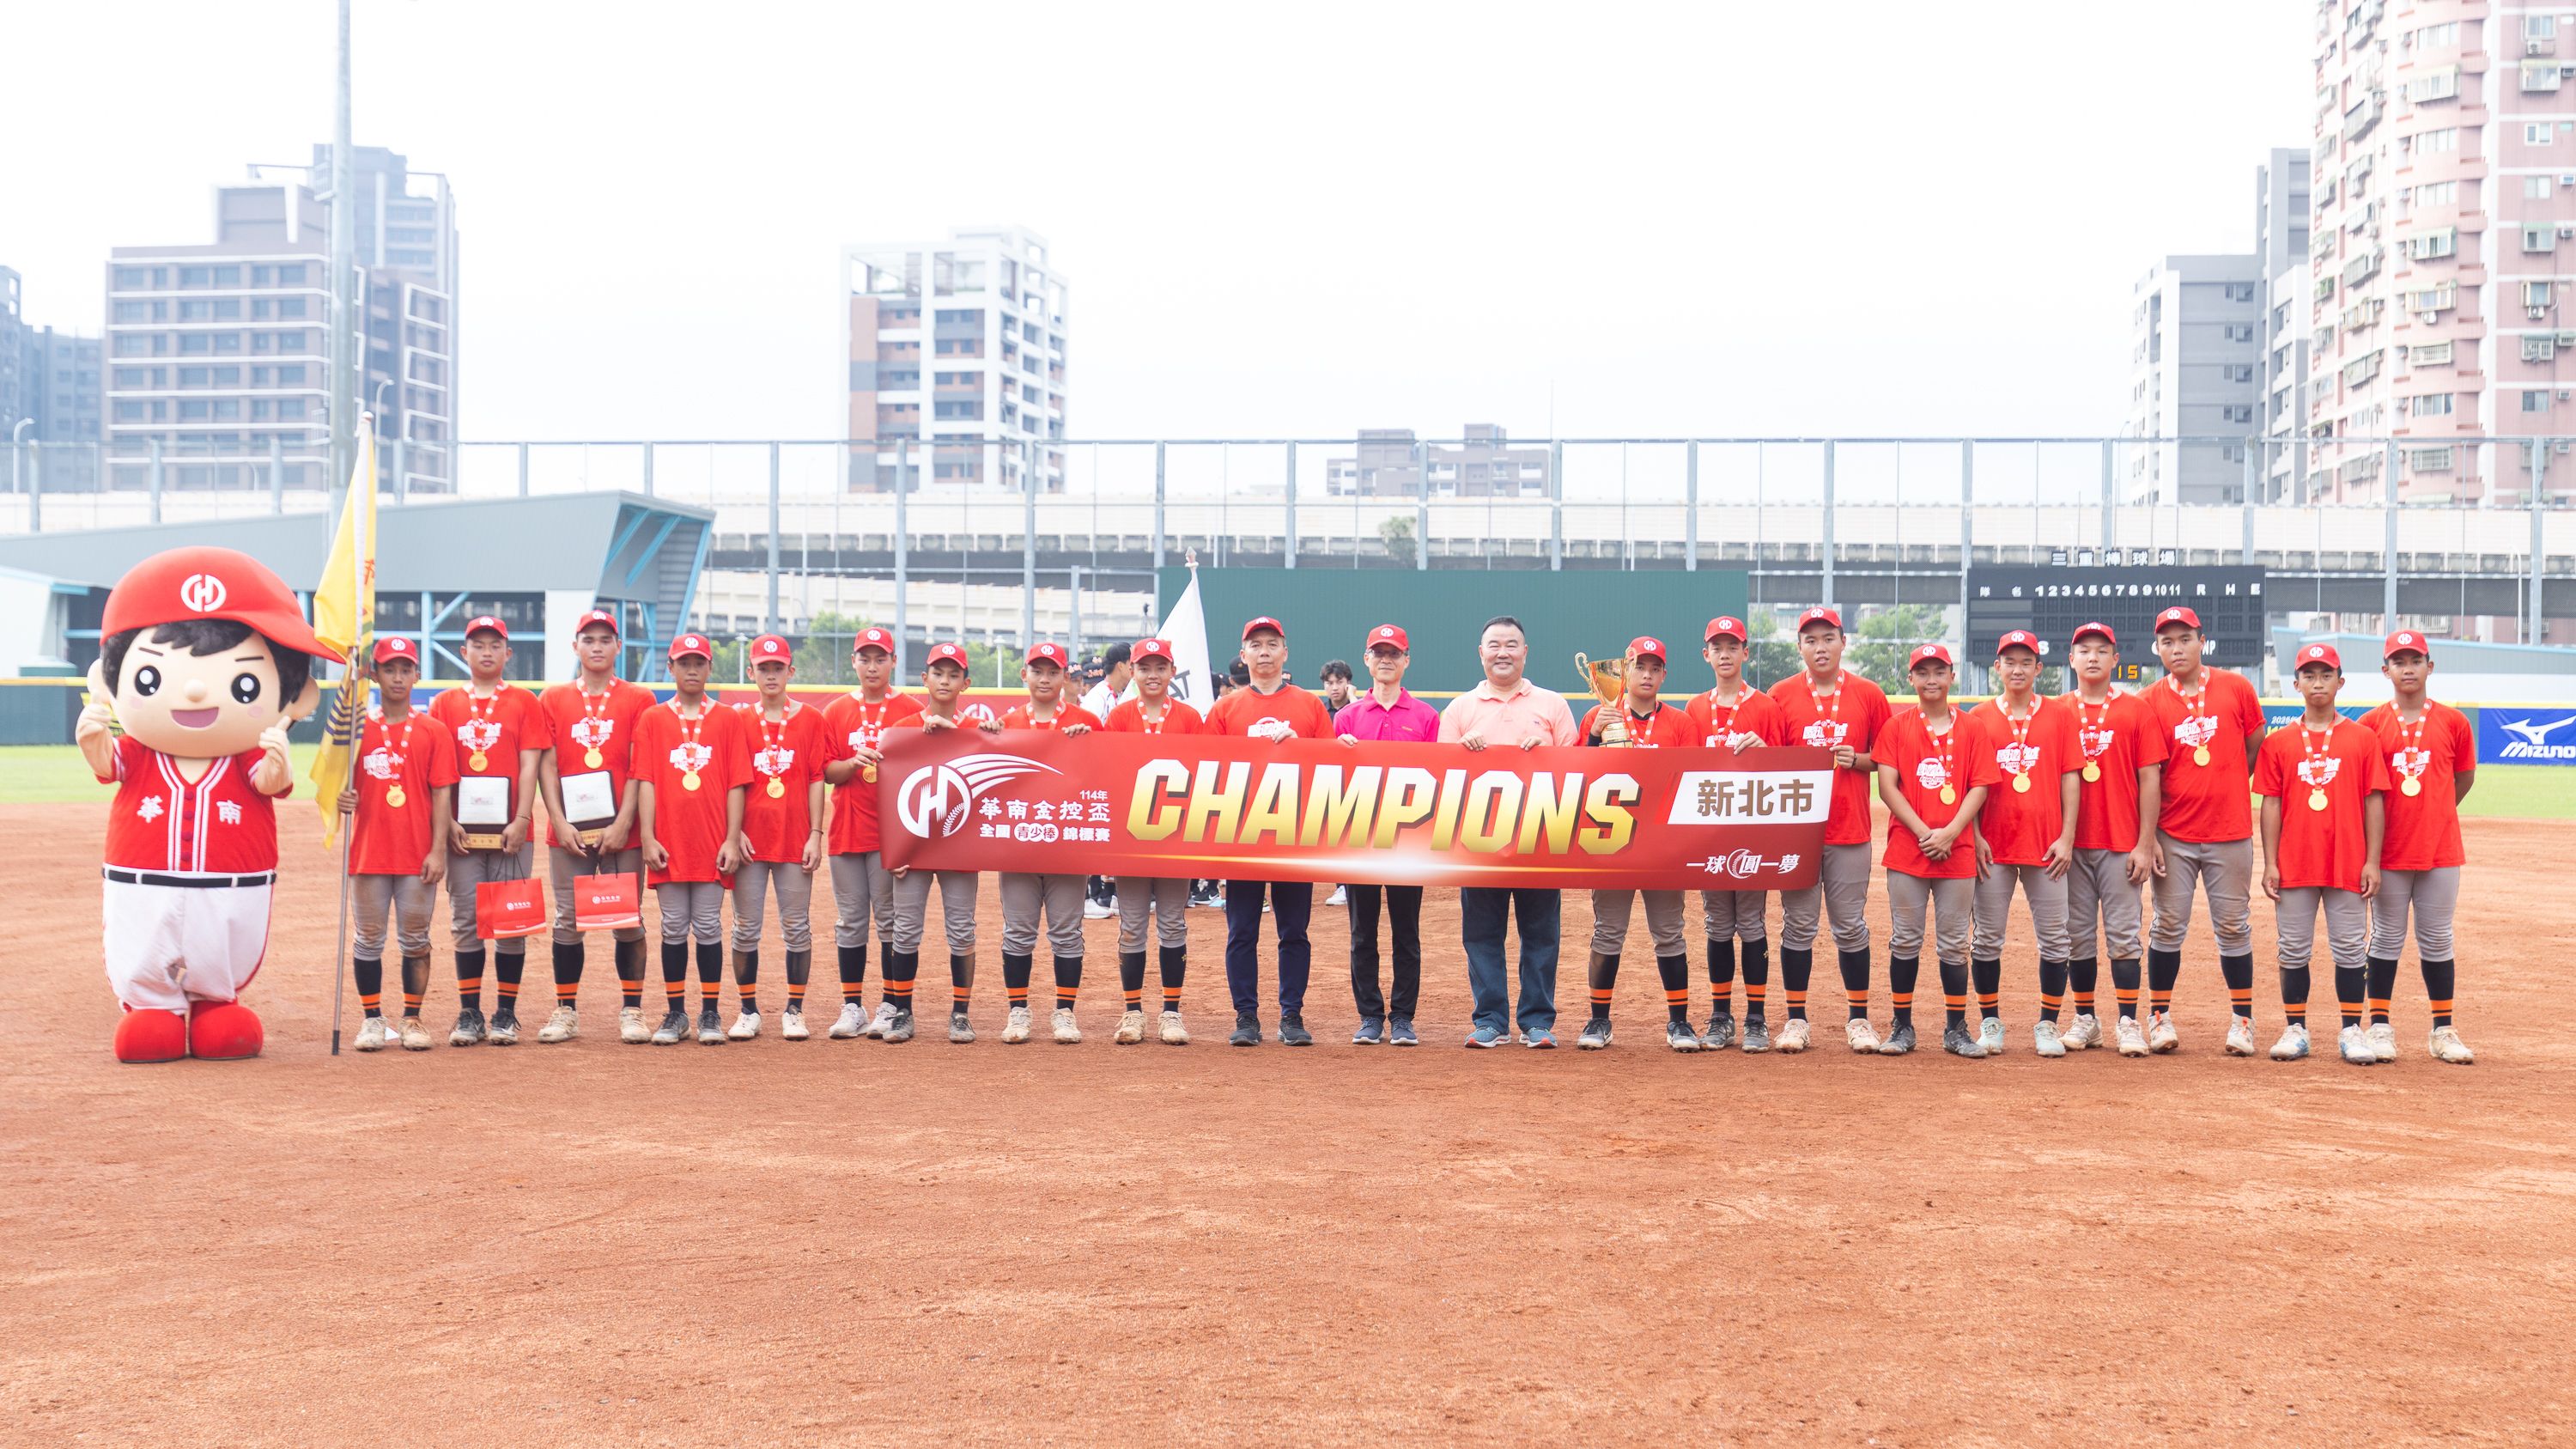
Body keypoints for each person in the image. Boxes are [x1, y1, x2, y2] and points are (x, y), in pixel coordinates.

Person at [79, 545, 333, 1063]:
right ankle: (154, 1007)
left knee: (221, 947)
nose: (195, 690)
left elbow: (267, 783)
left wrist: (278, 762)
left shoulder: (244, 758)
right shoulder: (140, 753)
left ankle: (215, 1004)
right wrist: (94, 743)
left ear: (295, 695)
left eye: (244, 680)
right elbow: (110, 766)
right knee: (145, 945)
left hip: (231, 885)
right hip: (142, 882)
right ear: (110, 681)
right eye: (150, 676)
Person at [1440, 615, 1579, 1048]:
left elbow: (1578, 768)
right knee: (1482, 935)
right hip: (1477, 842)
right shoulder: (1460, 709)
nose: (1503, 652)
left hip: (1541, 837)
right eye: (1494, 644)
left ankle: (1537, 1021)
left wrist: (1550, 753)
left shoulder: (1552, 705)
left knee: (1541, 934)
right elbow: (1439, 774)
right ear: (1480, 653)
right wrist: (1463, 753)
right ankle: (1490, 1021)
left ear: (1526, 651)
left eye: (1512, 644)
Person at [2254, 643, 2390, 1065]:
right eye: (2309, 675)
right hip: (2295, 860)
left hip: (2348, 858)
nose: (2318, 682)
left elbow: (2373, 802)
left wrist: (2372, 860)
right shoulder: (2278, 744)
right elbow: (2270, 804)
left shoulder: (2363, 739)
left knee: (2350, 947)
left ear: (2340, 682)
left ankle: (2352, 1029)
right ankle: (2296, 1028)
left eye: (2326, 674)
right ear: (2296, 684)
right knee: (2293, 948)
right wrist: (2270, 861)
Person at [1766, 606, 1893, 1054]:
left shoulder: (1869, 694)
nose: (1820, 648)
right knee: (1797, 927)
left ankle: (1858, 1019)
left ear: (1843, 642)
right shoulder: (1779, 695)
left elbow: (1886, 756)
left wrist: (1857, 759)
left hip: (1850, 827)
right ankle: (1796, 1019)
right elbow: (1770, 762)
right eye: (1810, 640)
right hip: (1799, 830)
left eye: (1828, 638)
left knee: (1850, 927)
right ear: (1799, 646)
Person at [1206, 618, 1337, 1045]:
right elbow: (1209, 769)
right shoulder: (1225, 709)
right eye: (1256, 645)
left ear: (1286, 653)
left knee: (1293, 930)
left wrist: (1300, 745)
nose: (1264, 652)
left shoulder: (1310, 706)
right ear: (1243, 656)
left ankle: (1292, 1016)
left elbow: (1331, 765)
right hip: (1241, 834)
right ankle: (1246, 1017)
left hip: (1293, 834)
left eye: (1272, 644)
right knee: (1241, 929)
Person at [2144, 605, 2268, 1056]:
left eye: (2184, 639)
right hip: (2173, 834)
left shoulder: (2236, 688)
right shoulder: (2150, 700)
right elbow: (2149, 773)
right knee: (2168, 925)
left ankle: (2242, 1020)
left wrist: (2227, 784)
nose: (2176, 648)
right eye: (2167, 642)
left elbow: (2255, 747)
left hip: (2229, 832)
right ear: (2157, 648)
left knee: (2234, 927)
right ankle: (2158, 1017)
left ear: (2202, 641)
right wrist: (2151, 835)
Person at [1574, 636, 1702, 1053]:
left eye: (1654, 668)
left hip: (1662, 844)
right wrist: (1594, 737)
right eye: (1638, 667)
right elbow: (1577, 776)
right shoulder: (1599, 713)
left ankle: (1679, 1023)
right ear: (1624, 672)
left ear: (1664, 675)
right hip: (1612, 841)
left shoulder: (1680, 723)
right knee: (1608, 931)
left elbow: (1692, 782)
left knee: (1669, 933)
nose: (1646, 674)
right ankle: (1598, 1021)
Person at [535, 609, 656, 1044]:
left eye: (607, 639)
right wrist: (558, 820)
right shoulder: (552, 698)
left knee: (628, 920)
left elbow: (642, 766)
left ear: (618, 646)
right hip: (569, 833)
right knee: (569, 921)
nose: (598, 646)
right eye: (589, 639)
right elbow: (547, 764)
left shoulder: (639, 699)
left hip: (623, 831)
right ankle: (566, 1010)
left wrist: (625, 822)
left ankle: (633, 1010)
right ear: (576, 647)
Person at [428, 614, 548, 1046]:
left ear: (507, 653)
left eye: (494, 645)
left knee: (511, 921)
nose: (486, 651)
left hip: (510, 832)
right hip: (462, 833)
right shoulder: (444, 704)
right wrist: (449, 823)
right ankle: (469, 1012)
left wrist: (522, 818)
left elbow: (529, 763)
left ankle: (506, 1013)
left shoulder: (524, 701)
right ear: (464, 652)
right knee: (465, 922)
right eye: (477, 645)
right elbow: (439, 769)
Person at [1873, 644, 1997, 1056]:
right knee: (1906, 940)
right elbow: (1888, 785)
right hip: (1909, 848)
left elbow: (1979, 786)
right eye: (1922, 672)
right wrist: (1927, 831)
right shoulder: (1896, 727)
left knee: (1953, 943)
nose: (1931, 679)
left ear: (1951, 676)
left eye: (1938, 671)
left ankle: (1956, 1029)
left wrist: (1951, 832)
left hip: (1957, 849)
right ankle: (1902, 1027)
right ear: (1910, 679)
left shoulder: (1973, 728)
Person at [2360, 630, 2476, 1065]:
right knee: (2387, 937)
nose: (2407, 668)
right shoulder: (2370, 725)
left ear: (2431, 666)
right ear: (2385, 670)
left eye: (2416, 660)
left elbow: (2463, 777)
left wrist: (2437, 812)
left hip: (2440, 850)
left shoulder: (2453, 722)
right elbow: (2365, 790)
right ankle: (2381, 1027)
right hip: (2388, 851)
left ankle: (2442, 1030)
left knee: (2437, 938)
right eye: (2398, 661)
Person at [338, 636, 459, 1051]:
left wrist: (438, 849)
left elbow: (442, 793)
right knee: (368, 938)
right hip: (370, 851)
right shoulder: (355, 730)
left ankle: (412, 1018)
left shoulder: (433, 730)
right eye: (389, 669)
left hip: (416, 852)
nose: (398, 677)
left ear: (417, 676)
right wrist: (343, 798)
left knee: (415, 938)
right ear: (374, 674)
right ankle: (372, 1019)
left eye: (406, 669)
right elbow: (340, 785)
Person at [1967, 630, 2081, 1057]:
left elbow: (2071, 777)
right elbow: (1969, 783)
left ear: (2039, 668)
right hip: (1992, 846)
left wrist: (2067, 837)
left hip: (2047, 846)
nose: (2017, 669)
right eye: (2008, 661)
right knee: (1987, 939)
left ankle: (2048, 1025)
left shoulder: (2059, 715)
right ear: (1997, 667)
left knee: (2055, 939)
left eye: (2025, 661)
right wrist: (1975, 835)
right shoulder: (1977, 717)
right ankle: (1990, 1022)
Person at [634, 633, 750, 1045]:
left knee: (707, 926)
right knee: (672, 926)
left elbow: (738, 783)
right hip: (669, 840)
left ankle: (712, 1014)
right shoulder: (652, 718)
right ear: (670, 667)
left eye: (699, 662)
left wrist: (732, 839)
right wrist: (647, 836)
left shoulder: (728, 719)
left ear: (710, 668)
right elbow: (645, 781)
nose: (692, 669)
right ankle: (676, 1013)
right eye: (684, 662)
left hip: (710, 840)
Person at [2057, 622, 2166, 1057]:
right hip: (2073, 845)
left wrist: (2145, 841)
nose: (2094, 657)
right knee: (2077, 936)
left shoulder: (2137, 711)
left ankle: (2127, 1021)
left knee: (2123, 936)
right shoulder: (2057, 710)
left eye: (2103, 650)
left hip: (2121, 842)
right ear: (2071, 659)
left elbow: (2150, 779)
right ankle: (2086, 1018)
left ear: (2116, 660)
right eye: (2085, 650)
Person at [1683, 615, 1789, 1050]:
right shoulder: (1693, 708)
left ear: (1746, 653)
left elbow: (1787, 770)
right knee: (1717, 924)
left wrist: (1767, 752)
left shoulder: (1765, 707)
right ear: (1706, 654)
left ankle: (1757, 1018)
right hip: (1710, 833)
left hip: (1753, 833)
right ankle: (1721, 1015)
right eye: (1717, 647)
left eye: (1733, 646)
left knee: (1751, 922)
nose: (1725, 654)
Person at [1333, 624, 1439, 1046]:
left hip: (1409, 841)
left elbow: (1438, 777)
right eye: (1378, 653)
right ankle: (1370, 1016)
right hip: (1361, 838)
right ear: (1366, 660)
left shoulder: (1427, 716)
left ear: (1407, 660)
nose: (1386, 659)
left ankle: (1403, 1017)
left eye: (1394, 653)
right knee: (1362, 932)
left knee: (1406, 931)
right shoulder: (1346, 717)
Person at [995, 642, 1103, 1044]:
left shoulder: (1086, 721)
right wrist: (988, 737)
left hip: (1067, 847)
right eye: (1037, 670)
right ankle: (1018, 1011)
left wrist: (1091, 740)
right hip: (1019, 847)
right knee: (1019, 931)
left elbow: (1107, 772)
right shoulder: (1006, 722)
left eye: (1052, 671)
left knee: (1066, 931)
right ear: (1024, 675)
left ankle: (1064, 1013)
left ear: (1065, 678)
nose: (1044, 678)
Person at [726, 633, 830, 1040]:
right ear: (750, 672)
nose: (771, 675)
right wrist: (733, 834)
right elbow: (728, 781)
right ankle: (748, 1009)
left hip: (792, 839)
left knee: (797, 926)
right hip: (751, 842)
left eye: (778, 667)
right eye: (763, 668)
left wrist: (815, 834)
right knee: (745, 927)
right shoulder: (737, 720)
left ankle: (794, 1010)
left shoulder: (810, 719)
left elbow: (817, 778)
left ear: (791, 671)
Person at [820, 627, 921, 1038]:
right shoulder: (835, 711)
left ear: (894, 662)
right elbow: (827, 770)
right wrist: (851, 761)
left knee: (890, 922)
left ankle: (888, 1003)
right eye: (865, 658)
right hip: (846, 829)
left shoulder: (912, 710)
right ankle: (851, 1005)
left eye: (881, 658)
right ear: (854, 663)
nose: (873, 666)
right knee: (850, 922)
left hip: (889, 835)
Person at [1102, 636, 1203, 1044]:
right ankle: (1132, 1013)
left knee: (1173, 925)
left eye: (1160, 667)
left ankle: (1171, 1014)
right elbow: (1107, 778)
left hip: (1175, 839)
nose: (1153, 675)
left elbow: (1205, 777)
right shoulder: (1119, 717)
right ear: (1132, 671)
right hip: (1130, 840)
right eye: (1145, 667)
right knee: (1132, 928)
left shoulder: (1191, 718)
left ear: (1172, 671)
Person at [886, 642, 987, 1044]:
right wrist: (896, 848)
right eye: (938, 673)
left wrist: (963, 734)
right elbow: (892, 791)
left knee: (961, 930)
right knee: (906, 930)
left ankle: (960, 1014)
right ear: (924, 678)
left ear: (966, 682)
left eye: (953, 674)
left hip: (959, 845)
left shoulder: (978, 730)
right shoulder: (902, 728)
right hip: (913, 846)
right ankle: (902, 1012)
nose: (945, 681)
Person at [1079, 642, 1133, 920]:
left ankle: (1105, 894)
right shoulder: (1099, 696)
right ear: (1122, 666)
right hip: (1092, 777)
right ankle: (1089, 896)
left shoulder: (1116, 694)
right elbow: (1087, 740)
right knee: (1091, 835)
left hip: (1106, 776)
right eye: (1133, 664)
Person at [1317, 658, 1358, 908]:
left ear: (1348, 683)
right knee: (1335, 836)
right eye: (1329, 683)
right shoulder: (1321, 711)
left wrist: (1354, 699)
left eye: (1339, 682)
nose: (1334, 687)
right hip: (1331, 781)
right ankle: (1342, 886)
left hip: (1357, 782)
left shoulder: (1360, 707)